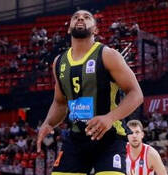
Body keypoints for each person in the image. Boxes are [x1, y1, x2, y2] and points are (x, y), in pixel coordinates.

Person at [35, 9, 144, 175]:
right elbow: (60, 102)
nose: (80, 18)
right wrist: (48, 123)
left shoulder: (108, 55)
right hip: (76, 139)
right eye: (76, 17)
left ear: (95, 30)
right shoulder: (59, 62)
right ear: (69, 29)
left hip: (109, 137)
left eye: (86, 17)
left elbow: (136, 94)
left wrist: (110, 117)